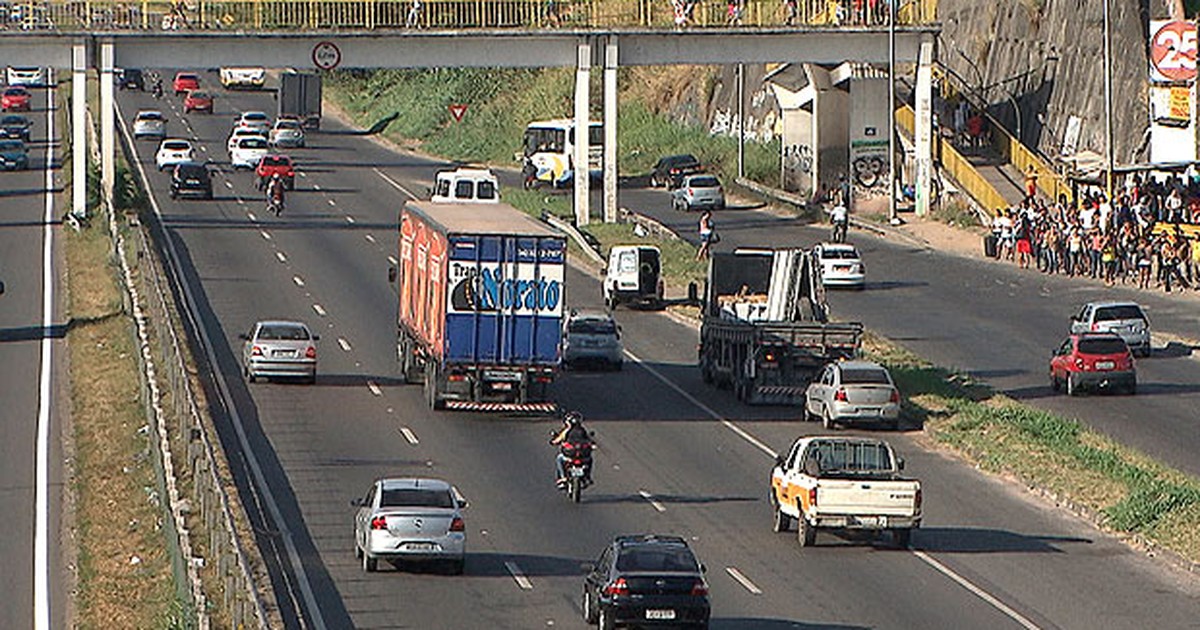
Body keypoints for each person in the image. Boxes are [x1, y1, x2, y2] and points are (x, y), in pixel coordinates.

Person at [550, 410, 593, 486]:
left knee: (559, 459)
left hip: (570, 455)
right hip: (582, 456)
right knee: (590, 459)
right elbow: (589, 440)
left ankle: (563, 477)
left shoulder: (567, 431)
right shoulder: (582, 430)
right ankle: (587, 476)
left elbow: (557, 440)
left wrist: (553, 442)